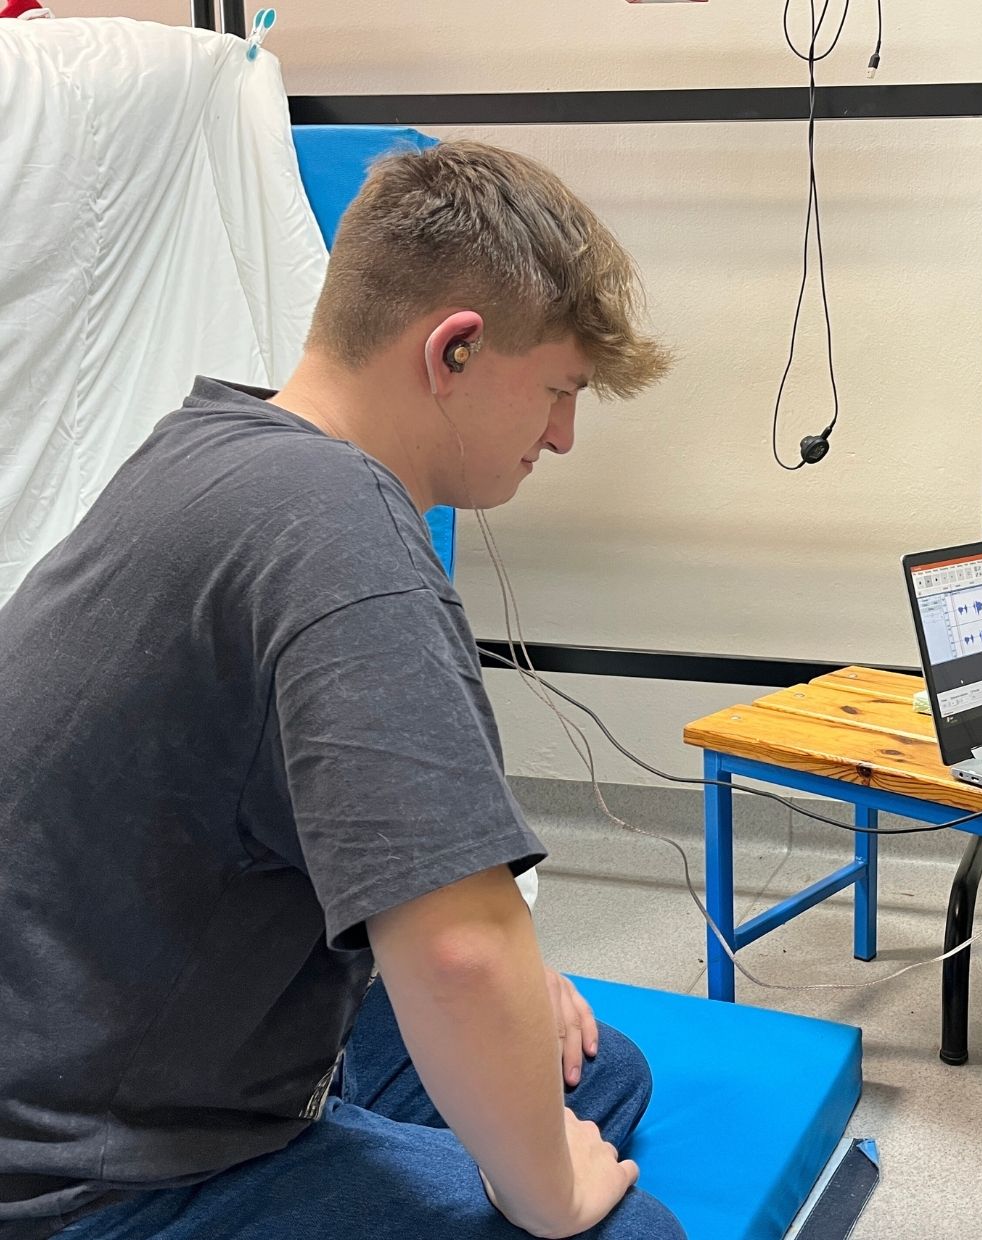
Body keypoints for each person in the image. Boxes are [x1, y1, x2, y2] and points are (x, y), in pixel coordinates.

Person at [0, 140, 685, 1240]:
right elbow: (457, 953)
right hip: (84, 1172)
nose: (561, 435)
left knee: (591, 1072)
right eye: (559, 391)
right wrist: (550, 1194)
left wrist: (505, 989)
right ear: (455, 349)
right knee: (616, 1224)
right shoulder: (347, 538)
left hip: (99, 1014)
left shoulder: (212, 445)